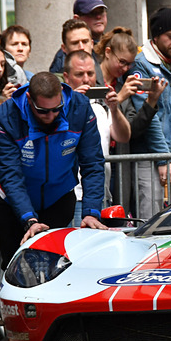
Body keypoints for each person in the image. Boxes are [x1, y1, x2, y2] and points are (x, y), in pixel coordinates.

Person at [0, 72, 107, 268]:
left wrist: (91, 211)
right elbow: (10, 175)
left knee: (56, 268)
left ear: (62, 93)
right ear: (29, 98)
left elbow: (93, 163)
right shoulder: (5, 117)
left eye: (57, 109)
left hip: (59, 196)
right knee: (15, 268)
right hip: (12, 203)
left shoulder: (80, 107)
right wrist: (28, 219)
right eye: (43, 111)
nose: (51, 116)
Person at [127, 7, 171, 218]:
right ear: (156, 36)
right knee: (150, 224)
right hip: (154, 158)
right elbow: (149, 115)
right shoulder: (141, 63)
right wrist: (163, 159)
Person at [63, 50, 133, 224]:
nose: (86, 79)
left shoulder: (101, 107)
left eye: (90, 73)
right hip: (74, 194)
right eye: (79, 74)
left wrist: (115, 108)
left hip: (101, 193)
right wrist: (73, 104)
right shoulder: (60, 106)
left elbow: (124, 136)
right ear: (67, 77)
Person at [49, 0, 108, 73]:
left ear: (91, 43)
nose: (98, 16)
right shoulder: (63, 57)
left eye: (101, 12)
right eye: (92, 13)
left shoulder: (113, 45)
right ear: (77, 18)